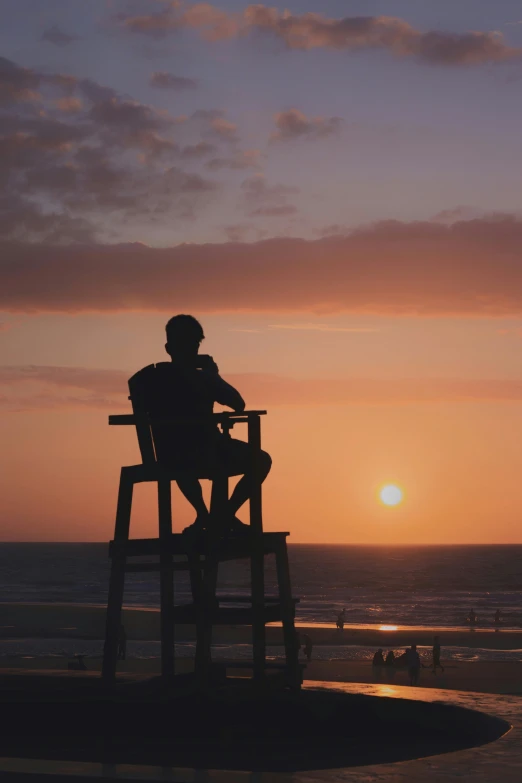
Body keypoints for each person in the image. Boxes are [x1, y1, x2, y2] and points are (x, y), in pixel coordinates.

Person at [150, 315, 272, 535]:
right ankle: (224, 513)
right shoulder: (203, 378)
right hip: (207, 451)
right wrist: (213, 375)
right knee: (261, 460)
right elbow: (238, 403)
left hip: (171, 455)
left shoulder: (152, 380)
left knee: (182, 462)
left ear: (168, 348)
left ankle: (204, 514)